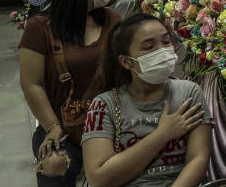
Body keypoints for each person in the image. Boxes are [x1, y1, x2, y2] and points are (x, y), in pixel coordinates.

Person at [19, 0, 122, 187]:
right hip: (63, 124)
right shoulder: (41, 27)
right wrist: (53, 127)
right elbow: (31, 83)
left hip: (110, 120)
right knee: (54, 165)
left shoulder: (112, 20)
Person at [82, 13, 212, 187]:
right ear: (126, 62)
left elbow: (199, 159)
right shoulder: (104, 105)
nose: (161, 51)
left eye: (166, 42)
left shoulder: (189, 92)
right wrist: (162, 134)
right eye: (149, 46)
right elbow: (99, 178)